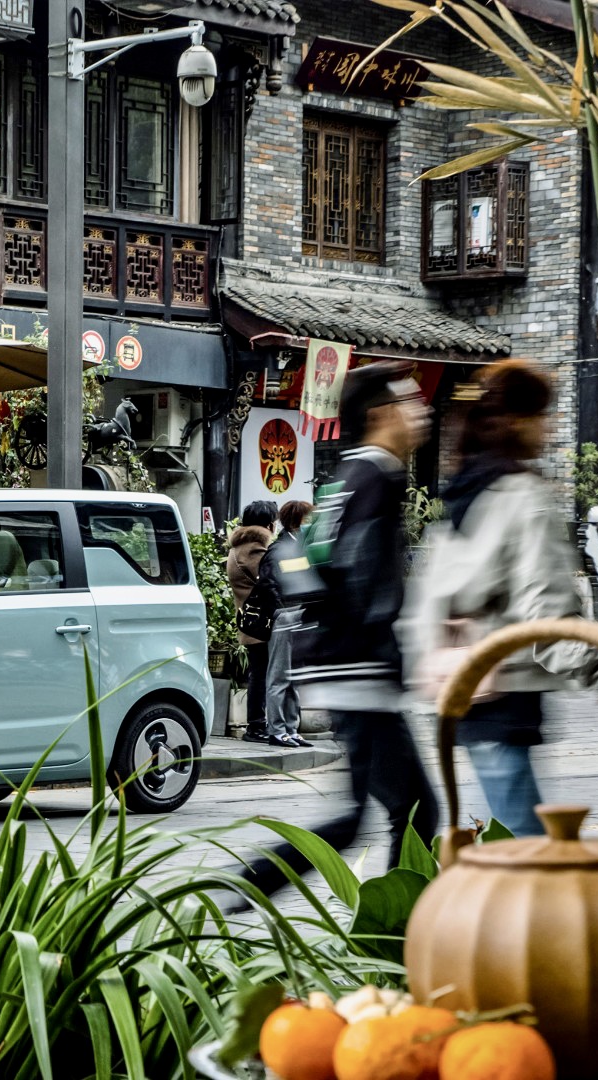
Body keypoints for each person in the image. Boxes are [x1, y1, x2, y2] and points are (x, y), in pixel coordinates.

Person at [232, 362, 439, 901]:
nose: (421, 414)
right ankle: (396, 937)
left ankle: (252, 884)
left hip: (341, 662)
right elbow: (360, 568)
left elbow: (306, 561)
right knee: (414, 812)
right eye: (410, 404)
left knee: (371, 814)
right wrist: (389, 640)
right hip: (362, 667)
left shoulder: (345, 477)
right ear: (381, 416)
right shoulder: (380, 478)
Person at [404, 360, 598, 836]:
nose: (547, 428)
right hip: (504, 699)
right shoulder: (523, 497)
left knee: (508, 841)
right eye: (542, 415)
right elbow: (546, 615)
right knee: (529, 851)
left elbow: (426, 604)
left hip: (466, 696)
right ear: (518, 421)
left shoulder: (464, 495)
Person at [256, 499, 314, 748]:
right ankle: (278, 730)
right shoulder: (281, 548)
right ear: (298, 520)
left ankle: (290, 728)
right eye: (308, 519)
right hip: (287, 615)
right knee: (279, 676)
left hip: (298, 614)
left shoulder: (297, 546)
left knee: (294, 677)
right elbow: (267, 584)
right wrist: (281, 611)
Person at [226, 500, 280, 743]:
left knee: (260, 672)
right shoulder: (254, 550)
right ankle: (256, 726)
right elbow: (271, 581)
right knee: (260, 673)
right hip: (260, 621)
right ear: (268, 523)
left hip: (250, 619)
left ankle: (258, 724)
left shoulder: (239, 546)